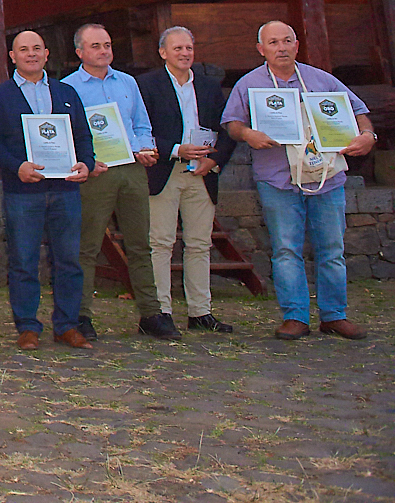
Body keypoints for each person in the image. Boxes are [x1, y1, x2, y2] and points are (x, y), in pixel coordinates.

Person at [220, 20, 377, 341]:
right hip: (277, 180)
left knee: (332, 249)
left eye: (287, 41)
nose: (281, 48)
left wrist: (367, 135)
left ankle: (335, 316)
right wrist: (248, 133)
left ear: (296, 45)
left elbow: (358, 109)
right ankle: (295, 317)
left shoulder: (322, 79)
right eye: (273, 42)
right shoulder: (248, 84)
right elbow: (231, 123)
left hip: (327, 177)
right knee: (285, 250)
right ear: (261, 49)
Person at [62, 24, 177, 342]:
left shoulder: (128, 83)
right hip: (95, 173)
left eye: (108, 44)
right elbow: (64, 133)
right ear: (79, 52)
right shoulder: (67, 88)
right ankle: (81, 316)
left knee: (141, 244)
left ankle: (152, 314)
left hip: (131, 169)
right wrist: (85, 160)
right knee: (86, 247)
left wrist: (145, 147)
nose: (103, 51)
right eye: (95, 45)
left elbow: (141, 123)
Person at [0, 30, 94, 350]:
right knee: (23, 260)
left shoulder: (67, 92)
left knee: (69, 261)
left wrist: (86, 162)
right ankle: (28, 327)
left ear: (47, 54)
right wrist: (16, 166)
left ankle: (67, 325)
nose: (30, 54)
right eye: (23, 49)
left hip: (65, 191)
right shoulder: (1, 96)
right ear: (12, 57)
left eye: (36, 48)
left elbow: (83, 137)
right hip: (23, 191)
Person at [136, 26, 237, 334]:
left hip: (202, 173)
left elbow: (227, 129)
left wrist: (214, 160)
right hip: (164, 170)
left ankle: (200, 312)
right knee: (161, 243)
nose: (184, 53)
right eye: (177, 48)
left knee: (199, 244)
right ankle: (160, 312)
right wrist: (176, 148)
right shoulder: (147, 85)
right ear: (163, 52)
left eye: (189, 48)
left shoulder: (208, 86)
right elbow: (141, 129)